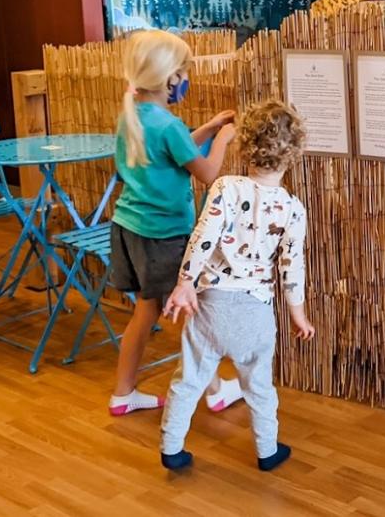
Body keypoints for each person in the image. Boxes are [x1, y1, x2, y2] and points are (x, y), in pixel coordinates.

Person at [159, 100, 315, 471]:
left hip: (210, 304)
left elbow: (203, 236)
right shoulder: (293, 209)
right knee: (259, 387)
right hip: (255, 312)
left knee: (190, 379)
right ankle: (267, 451)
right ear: (293, 154)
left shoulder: (226, 188)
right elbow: (293, 266)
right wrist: (299, 315)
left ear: (245, 145)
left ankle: (171, 448)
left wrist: (185, 283)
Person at [107, 30, 244, 416]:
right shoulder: (166, 125)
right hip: (164, 236)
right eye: (183, 72)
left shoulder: (133, 114)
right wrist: (224, 139)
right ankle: (216, 390)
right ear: (170, 78)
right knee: (194, 311)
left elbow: (174, 151)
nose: (185, 80)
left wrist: (210, 126)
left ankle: (123, 393)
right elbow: (205, 172)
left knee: (145, 313)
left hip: (129, 228)